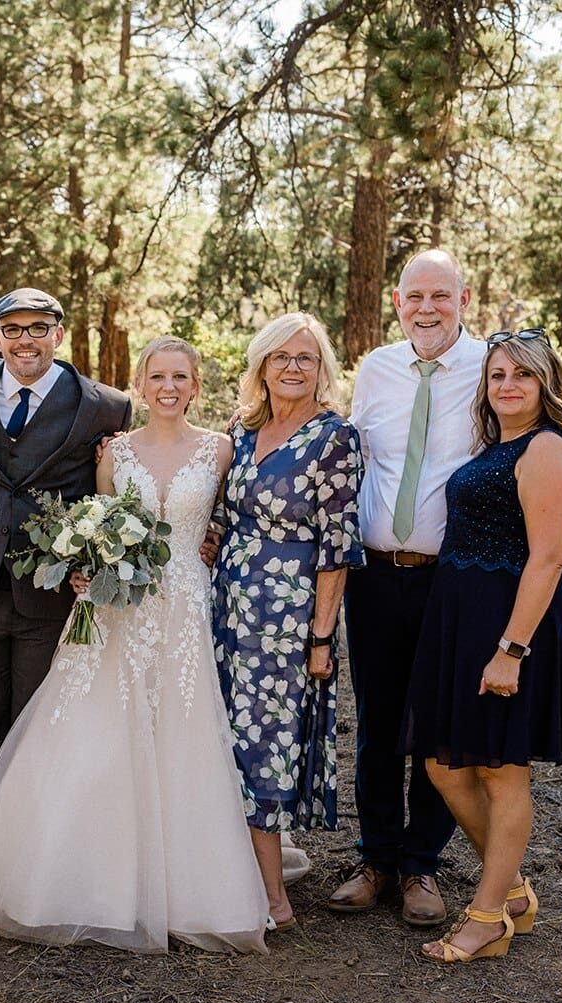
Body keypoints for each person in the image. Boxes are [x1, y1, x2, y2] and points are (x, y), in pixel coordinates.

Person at [0, 336, 269, 953]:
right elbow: (99, 520)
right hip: (119, 605)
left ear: (197, 385)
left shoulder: (222, 449)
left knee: (183, 728)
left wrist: (215, 537)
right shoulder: (113, 452)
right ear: (139, 385)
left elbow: (237, 517)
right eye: (157, 376)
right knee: (98, 726)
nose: (168, 387)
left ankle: (186, 880)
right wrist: (83, 568)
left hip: (187, 607)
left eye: (180, 377)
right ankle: (86, 872)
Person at [330, 250, 562, 927]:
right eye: (414, 297)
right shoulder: (376, 369)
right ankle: (375, 858)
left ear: (464, 299)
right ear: (397, 303)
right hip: (373, 573)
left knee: (436, 728)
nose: (427, 309)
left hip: (451, 583)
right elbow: (354, 457)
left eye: (440, 296)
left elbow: (532, 432)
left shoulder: (490, 364)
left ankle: (421, 864)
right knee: (377, 723)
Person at [402, 329, 562, 962]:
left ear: (545, 384)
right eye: (498, 374)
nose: (508, 385)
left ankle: (486, 920)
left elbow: (549, 558)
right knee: (444, 766)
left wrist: (511, 650)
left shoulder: (546, 447)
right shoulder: (495, 446)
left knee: (501, 772)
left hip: (511, 624)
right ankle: (512, 892)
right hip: (461, 620)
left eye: (522, 375)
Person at [0, 289, 133, 811]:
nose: (26, 340)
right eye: (14, 329)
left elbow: (118, 487)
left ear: (58, 334)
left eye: (38, 328)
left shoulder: (105, 406)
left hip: (50, 594)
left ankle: (31, 847)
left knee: (41, 727)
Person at [211, 313, 363, 931]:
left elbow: (337, 546)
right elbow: (220, 513)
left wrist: (321, 637)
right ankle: (228, 874)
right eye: (281, 357)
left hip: (286, 617)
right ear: (262, 366)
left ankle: (274, 899)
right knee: (222, 734)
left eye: (306, 357)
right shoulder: (242, 430)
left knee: (264, 742)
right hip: (224, 607)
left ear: (322, 368)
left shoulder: (335, 437)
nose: (293, 367)